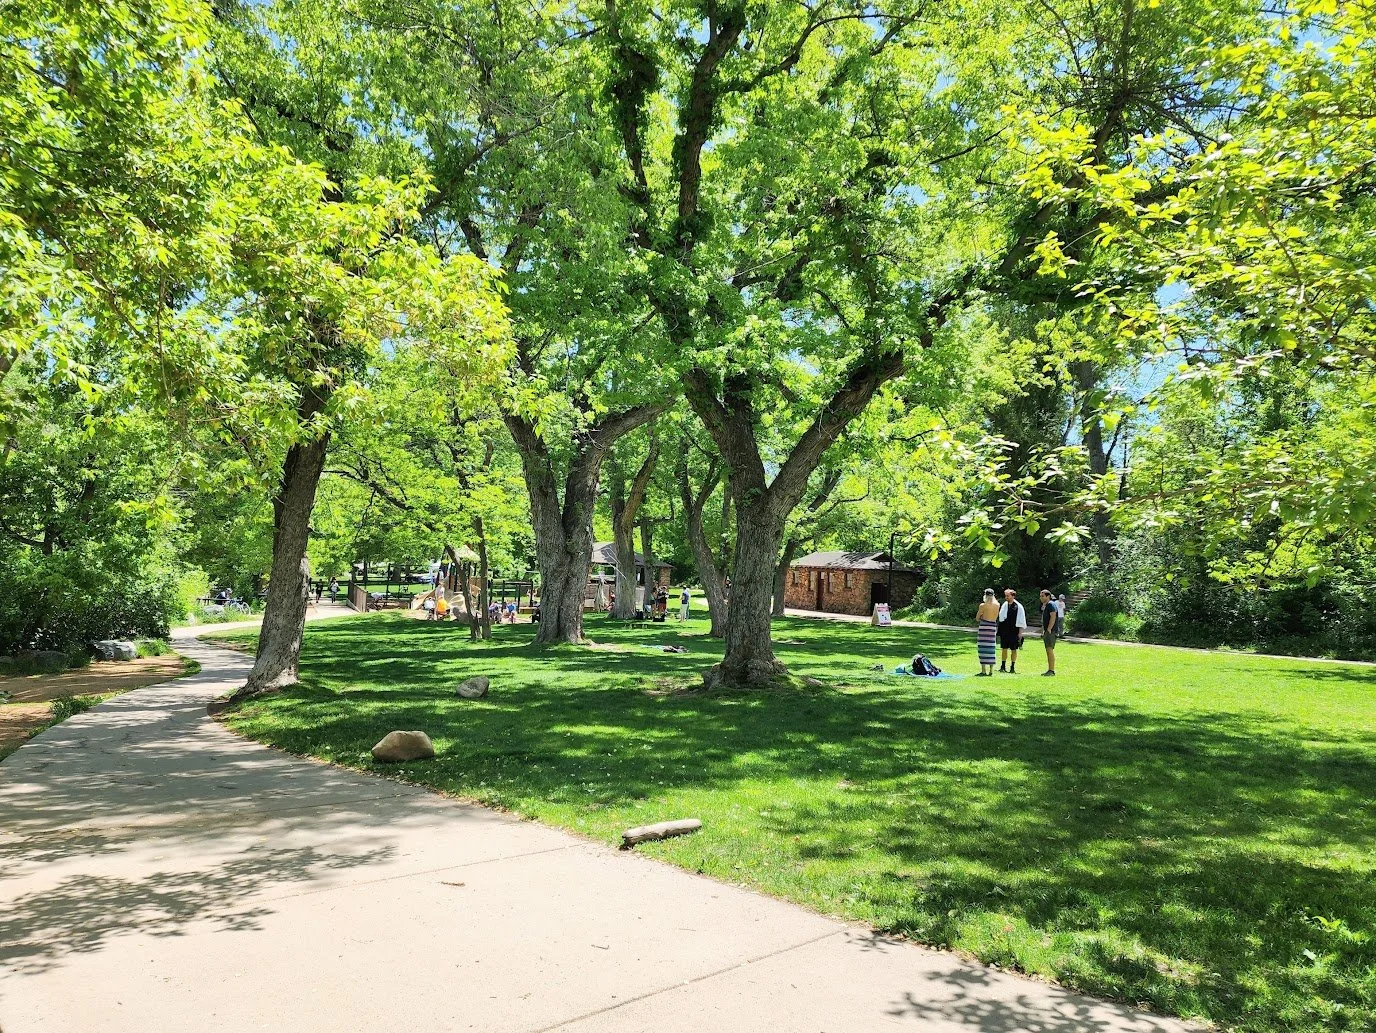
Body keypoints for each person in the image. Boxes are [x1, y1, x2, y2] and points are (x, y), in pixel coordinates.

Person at [997, 588, 1026, 673]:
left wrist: (1020, 633)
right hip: (1005, 630)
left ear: (1013, 596)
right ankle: (1003, 666)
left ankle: (1012, 667)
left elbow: (1021, 620)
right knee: (1004, 648)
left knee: (1014, 649)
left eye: (1008, 596)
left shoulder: (1018, 606)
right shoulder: (1005, 605)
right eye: (1005, 596)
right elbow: (1001, 617)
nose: (1006, 597)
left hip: (1014, 631)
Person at [975, 588, 1000, 676]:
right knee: (991, 648)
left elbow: (977, 618)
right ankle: (991, 670)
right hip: (992, 627)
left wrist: (982, 617)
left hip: (984, 627)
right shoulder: (997, 605)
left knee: (982, 647)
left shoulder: (983, 605)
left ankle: (983, 670)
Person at [1040, 589, 1059, 676]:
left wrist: (1049, 629)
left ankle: (1051, 670)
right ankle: (1050, 669)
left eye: (1043, 596)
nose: (1041, 598)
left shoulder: (1051, 604)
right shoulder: (1046, 605)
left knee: (1049, 649)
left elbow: (1053, 616)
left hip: (1051, 631)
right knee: (1048, 649)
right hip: (1047, 630)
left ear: (1048, 596)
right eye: (1040, 596)